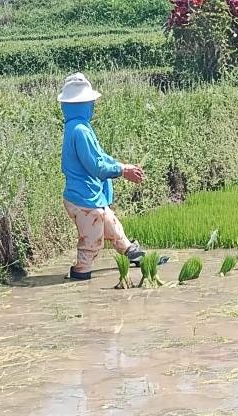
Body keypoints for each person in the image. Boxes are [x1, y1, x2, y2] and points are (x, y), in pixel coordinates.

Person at [59, 73, 147, 281]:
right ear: (83, 104)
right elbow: (96, 166)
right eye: (90, 103)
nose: (93, 107)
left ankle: (134, 254)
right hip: (84, 200)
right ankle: (80, 277)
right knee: (91, 243)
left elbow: (100, 156)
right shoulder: (80, 130)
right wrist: (123, 172)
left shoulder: (79, 127)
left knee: (114, 228)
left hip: (90, 196)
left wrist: (122, 165)